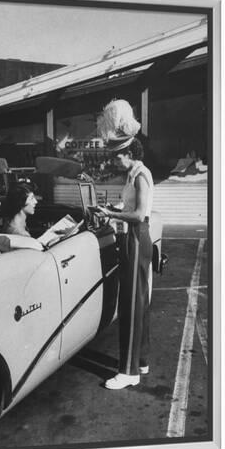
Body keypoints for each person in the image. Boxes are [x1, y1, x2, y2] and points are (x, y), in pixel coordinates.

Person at [97, 99, 154, 390]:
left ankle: (129, 372)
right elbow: (132, 205)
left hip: (135, 235)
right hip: (136, 236)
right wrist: (117, 205)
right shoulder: (134, 174)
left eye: (118, 156)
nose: (115, 161)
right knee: (138, 301)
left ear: (130, 153)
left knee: (130, 303)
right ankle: (140, 361)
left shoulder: (141, 174)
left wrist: (111, 213)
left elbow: (139, 214)